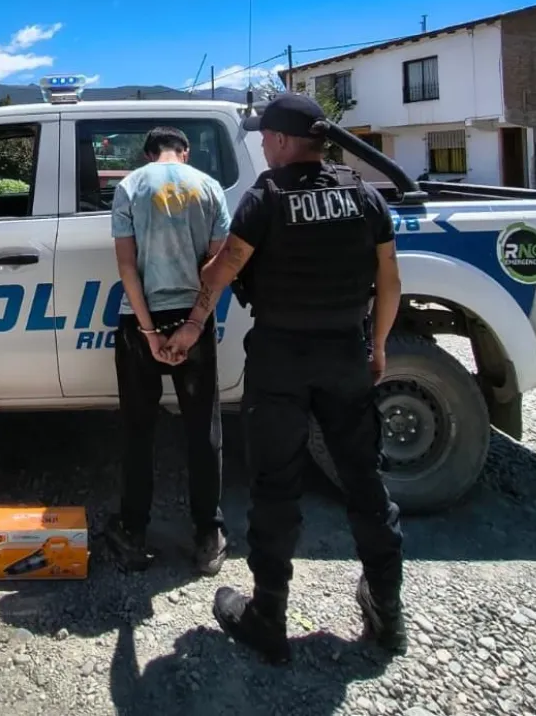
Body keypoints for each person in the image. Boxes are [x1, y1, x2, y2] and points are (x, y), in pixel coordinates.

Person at [162, 94, 406, 664]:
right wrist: (378, 347)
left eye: (266, 137)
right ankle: (388, 615)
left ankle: (268, 614)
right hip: (346, 355)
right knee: (366, 485)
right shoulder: (363, 195)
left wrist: (193, 321)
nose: (264, 146)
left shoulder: (266, 200)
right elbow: (389, 281)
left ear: (279, 139)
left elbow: (221, 274)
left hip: (281, 360)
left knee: (276, 488)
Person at [104, 125, 231, 576]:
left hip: (141, 321)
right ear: (185, 151)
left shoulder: (129, 186)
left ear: (147, 153)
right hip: (194, 320)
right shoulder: (210, 187)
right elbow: (217, 267)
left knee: (138, 429)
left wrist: (148, 332)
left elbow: (126, 265)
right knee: (203, 429)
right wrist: (194, 324)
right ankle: (208, 535)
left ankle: (133, 532)